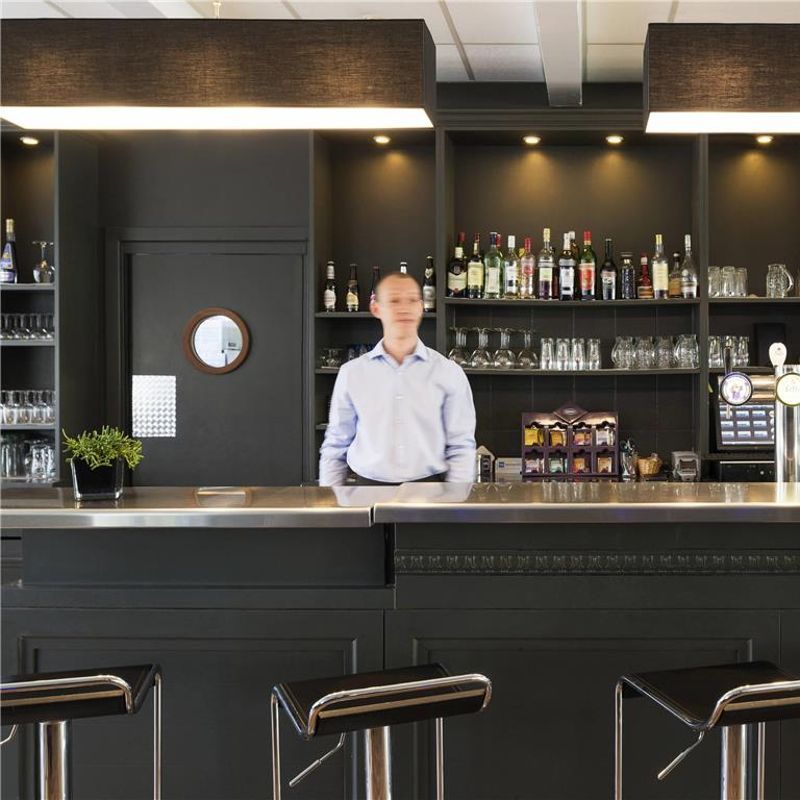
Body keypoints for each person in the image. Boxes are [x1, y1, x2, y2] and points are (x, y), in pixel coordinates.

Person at [319, 271, 476, 485]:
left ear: (421, 307)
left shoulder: (448, 372)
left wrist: (455, 498)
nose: (404, 308)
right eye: (394, 300)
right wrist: (331, 499)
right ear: (376, 308)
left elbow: (461, 446)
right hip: (366, 493)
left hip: (431, 491)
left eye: (412, 300)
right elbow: (335, 445)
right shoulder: (351, 373)